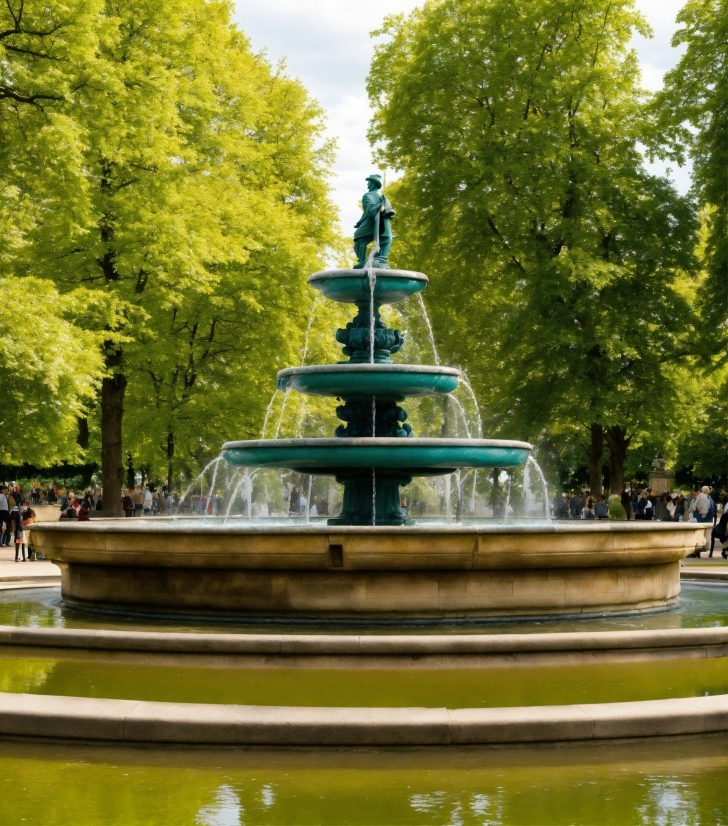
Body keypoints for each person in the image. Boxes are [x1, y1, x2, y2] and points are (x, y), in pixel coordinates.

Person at [353, 174, 396, 268]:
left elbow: (370, 209)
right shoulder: (380, 197)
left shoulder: (367, 195)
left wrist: (379, 208)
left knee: (360, 242)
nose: (367, 184)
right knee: (361, 241)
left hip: (373, 223)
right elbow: (369, 210)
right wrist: (360, 222)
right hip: (380, 223)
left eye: (369, 182)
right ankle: (367, 261)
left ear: (373, 184)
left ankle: (363, 262)